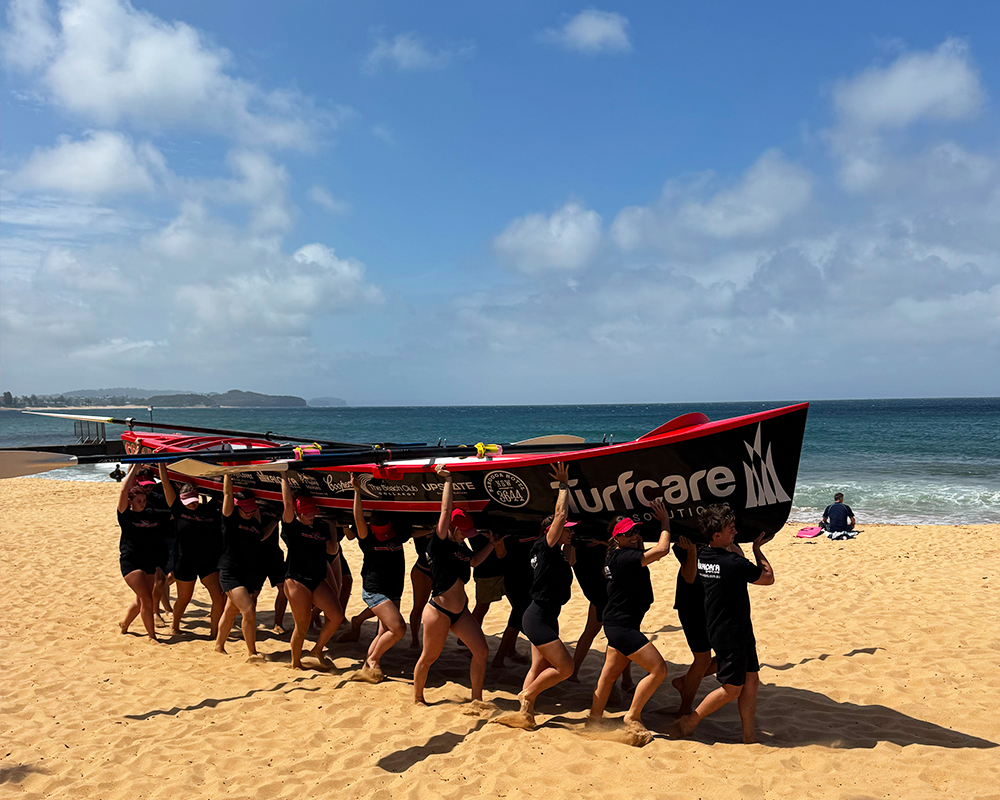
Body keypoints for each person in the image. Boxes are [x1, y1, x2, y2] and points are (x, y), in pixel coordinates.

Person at [672, 505, 774, 744]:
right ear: (716, 535)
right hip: (731, 633)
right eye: (731, 529)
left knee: (752, 681)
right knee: (732, 689)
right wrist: (757, 550)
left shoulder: (704, 555)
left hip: (730, 628)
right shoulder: (733, 563)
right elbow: (767, 578)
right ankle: (691, 719)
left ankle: (749, 736)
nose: (735, 531)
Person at [494, 463, 577, 730]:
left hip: (545, 614)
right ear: (550, 531)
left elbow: (571, 560)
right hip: (538, 615)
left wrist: (569, 542)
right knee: (566, 668)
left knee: (538, 666)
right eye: (567, 528)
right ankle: (527, 696)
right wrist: (564, 486)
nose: (570, 530)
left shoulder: (554, 553)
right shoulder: (545, 546)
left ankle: (524, 713)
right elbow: (560, 515)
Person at [588, 500, 672, 746]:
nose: (634, 536)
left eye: (636, 531)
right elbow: (662, 550)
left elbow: (642, 551)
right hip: (622, 626)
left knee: (609, 674)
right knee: (659, 669)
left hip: (618, 623)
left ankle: (594, 719)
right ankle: (632, 716)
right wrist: (665, 523)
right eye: (628, 534)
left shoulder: (614, 555)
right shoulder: (624, 558)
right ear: (617, 538)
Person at [413, 465, 495, 708]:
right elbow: (446, 509)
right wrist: (448, 480)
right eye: (463, 532)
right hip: (438, 611)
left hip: (460, 612)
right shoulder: (438, 544)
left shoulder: (461, 548)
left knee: (481, 651)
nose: (466, 536)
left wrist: (491, 544)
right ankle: (418, 698)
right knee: (429, 657)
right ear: (450, 528)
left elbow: (473, 561)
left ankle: (476, 699)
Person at [348, 476, 410, 683]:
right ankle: (373, 660)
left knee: (384, 630)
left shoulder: (398, 533)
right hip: (375, 589)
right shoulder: (368, 538)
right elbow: (357, 519)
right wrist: (356, 491)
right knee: (399, 627)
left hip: (394, 588)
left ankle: (368, 665)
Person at [280, 474, 344, 669]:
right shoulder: (292, 528)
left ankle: (317, 650)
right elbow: (287, 504)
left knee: (337, 616)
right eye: (308, 512)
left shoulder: (319, 527)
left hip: (316, 579)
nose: (313, 515)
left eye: (313, 512)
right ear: (299, 513)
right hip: (296, 581)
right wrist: (284, 475)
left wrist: (332, 525)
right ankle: (295, 663)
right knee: (302, 625)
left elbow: (332, 549)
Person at [157, 464, 226, 638]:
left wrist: (227, 472)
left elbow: (224, 494)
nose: (193, 505)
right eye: (189, 502)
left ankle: (214, 631)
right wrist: (161, 463)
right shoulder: (178, 510)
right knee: (184, 599)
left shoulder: (208, 510)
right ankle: (174, 626)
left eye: (195, 501)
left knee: (219, 597)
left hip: (207, 561)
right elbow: (166, 485)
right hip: (185, 562)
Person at [214, 477, 275, 661]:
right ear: (237, 506)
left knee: (231, 611)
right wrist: (229, 473)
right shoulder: (229, 519)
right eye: (246, 510)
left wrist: (275, 520)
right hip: (230, 572)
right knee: (248, 610)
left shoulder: (255, 521)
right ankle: (252, 652)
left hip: (248, 573)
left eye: (252, 509)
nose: (249, 513)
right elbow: (227, 493)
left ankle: (218, 646)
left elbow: (262, 535)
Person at [116, 464, 170, 642]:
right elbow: (123, 492)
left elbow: (174, 511)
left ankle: (125, 625)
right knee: (147, 600)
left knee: (140, 600)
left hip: (149, 561)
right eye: (138, 501)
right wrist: (136, 463)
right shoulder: (126, 516)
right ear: (130, 502)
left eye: (144, 500)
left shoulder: (152, 513)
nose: (142, 503)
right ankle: (152, 636)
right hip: (131, 562)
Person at [669, 534, 717, 714]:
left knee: (731, 656)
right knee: (703, 659)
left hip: (713, 605)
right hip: (691, 606)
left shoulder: (718, 538)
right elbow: (689, 577)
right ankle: (685, 708)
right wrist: (691, 551)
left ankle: (685, 681)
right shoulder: (685, 541)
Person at [568, 518, 610, 682]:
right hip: (604, 595)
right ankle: (626, 680)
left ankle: (574, 671)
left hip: (596, 594)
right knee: (617, 637)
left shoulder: (577, 549)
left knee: (590, 632)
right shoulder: (582, 549)